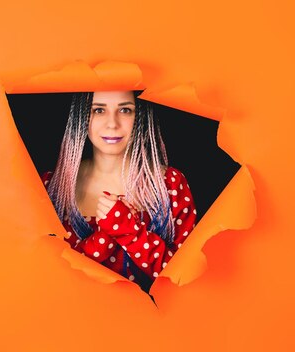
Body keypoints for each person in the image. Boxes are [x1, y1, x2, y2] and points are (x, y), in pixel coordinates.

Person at [41, 90, 196, 292]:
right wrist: (105, 235)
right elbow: (49, 276)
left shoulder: (170, 183)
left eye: (125, 110)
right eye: (98, 110)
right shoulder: (51, 186)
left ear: (140, 116)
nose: (112, 123)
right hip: (74, 320)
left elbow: (184, 277)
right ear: (81, 116)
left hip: (152, 321)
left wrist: (127, 229)